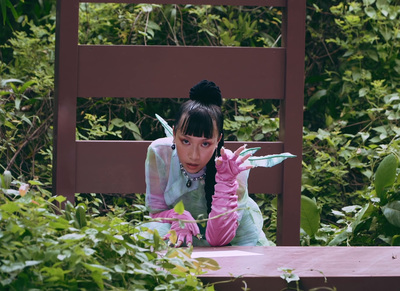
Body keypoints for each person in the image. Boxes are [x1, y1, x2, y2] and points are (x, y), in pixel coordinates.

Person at [144, 80, 272, 247]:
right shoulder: (160, 153)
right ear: (174, 133)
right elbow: (156, 212)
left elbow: (218, 240)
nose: (194, 155)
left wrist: (226, 181)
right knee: (153, 234)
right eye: (185, 141)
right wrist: (177, 216)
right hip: (182, 233)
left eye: (205, 144)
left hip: (235, 241)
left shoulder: (233, 168)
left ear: (218, 140)